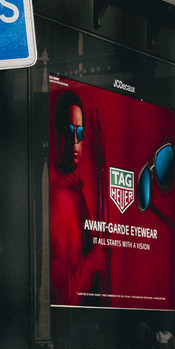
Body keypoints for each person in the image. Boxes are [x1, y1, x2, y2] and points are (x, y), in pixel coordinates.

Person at [50, 88, 108, 305]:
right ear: (57, 133)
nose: (75, 139)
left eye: (80, 131)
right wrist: (93, 261)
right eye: (68, 130)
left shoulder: (76, 190)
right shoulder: (58, 198)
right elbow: (63, 296)